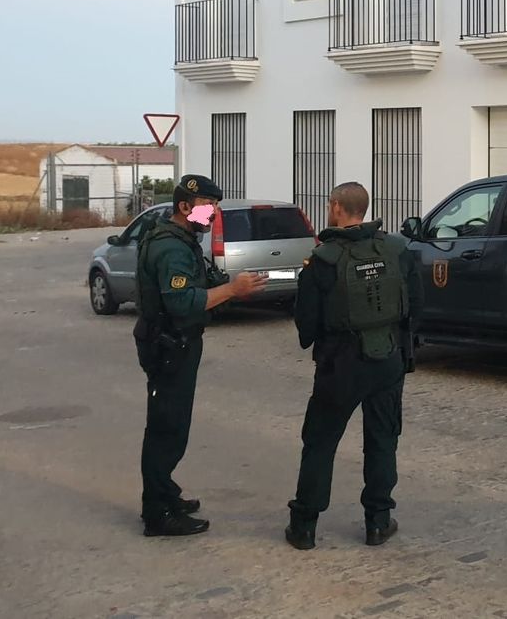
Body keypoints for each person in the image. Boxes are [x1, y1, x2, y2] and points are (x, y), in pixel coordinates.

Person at [286, 182, 420, 550]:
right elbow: (415, 306)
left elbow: (306, 323)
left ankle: (304, 527)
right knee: (382, 441)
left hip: (340, 363)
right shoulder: (397, 250)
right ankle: (377, 522)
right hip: (388, 358)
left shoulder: (323, 259)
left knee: (320, 443)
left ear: (335, 208)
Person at [134, 174, 265, 536]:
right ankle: (157, 514)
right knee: (166, 429)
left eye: (216, 208)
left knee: (172, 426)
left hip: (175, 343)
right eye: (209, 208)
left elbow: (198, 285)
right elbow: (183, 301)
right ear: (185, 207)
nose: (213, 216)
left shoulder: (179, 239)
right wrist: (232, 291)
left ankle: (164, 493)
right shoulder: (172, 248)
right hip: (169, 345)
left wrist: (231, 287)